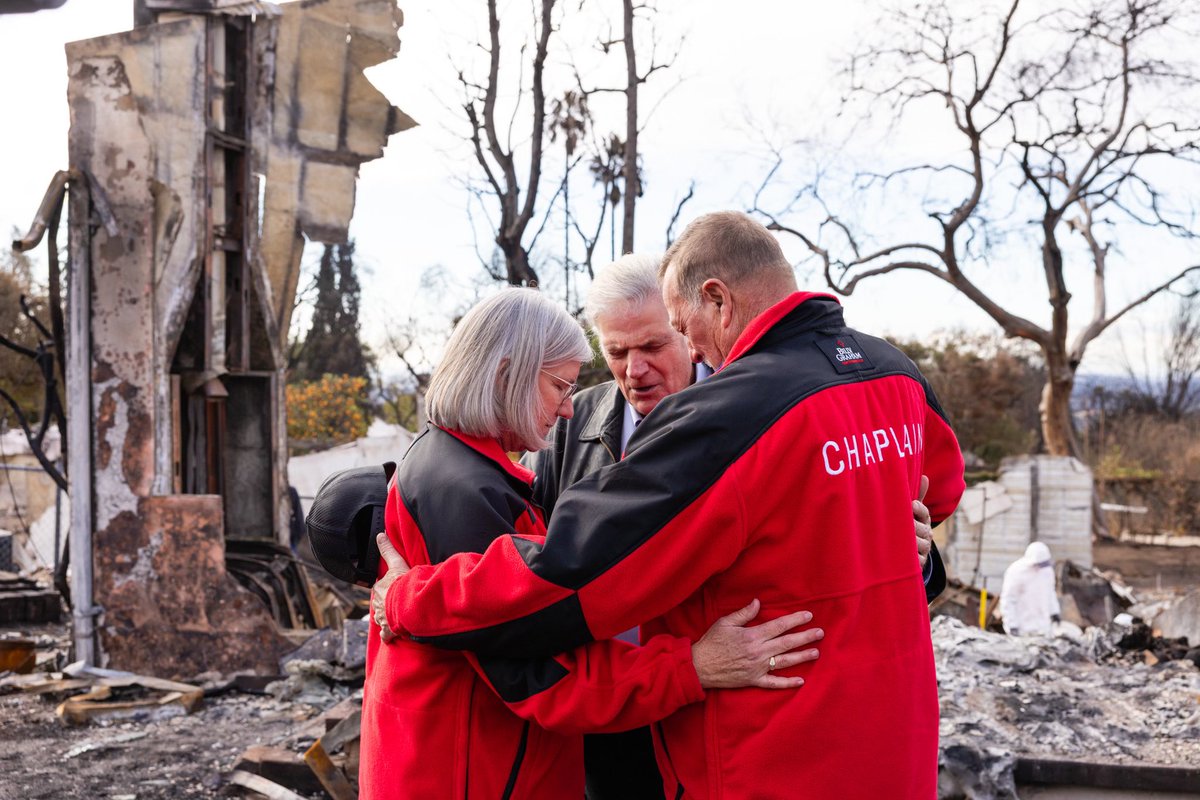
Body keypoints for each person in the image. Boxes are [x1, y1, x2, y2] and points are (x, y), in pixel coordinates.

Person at [378, 212, 966, 798]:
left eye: (678, 331)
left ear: (718, 300)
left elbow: (573, 569)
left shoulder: (732, 415)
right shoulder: (894, 374)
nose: (690, 350)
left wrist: (412, 599)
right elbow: (937, 489)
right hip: (887, 748)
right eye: (616, 352)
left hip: (767, 754)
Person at [361, 287, 824, 799]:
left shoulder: (465, 468)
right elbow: (540, 676)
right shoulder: (466, 490)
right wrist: (691, 667)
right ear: (504, 373)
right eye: (559, 386)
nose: (566, 410)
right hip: (480, 775)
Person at [524, 253, 948, 800]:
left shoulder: (756, 411)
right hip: (611, 716)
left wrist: (918, 554)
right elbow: (545, 554)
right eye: (617, 353)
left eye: (653, 347)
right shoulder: (574, 421)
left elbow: (886, 573)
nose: (635, 370)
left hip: (720, 723)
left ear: (690, 329)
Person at [999, 541, 1061, 636]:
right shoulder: (1016, 571)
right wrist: (1012, 625)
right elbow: (1008, 600)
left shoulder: (1047, 571)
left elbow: (1050, 592)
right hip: (1023, 627)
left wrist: (1055, 611)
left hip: (1043, 626)